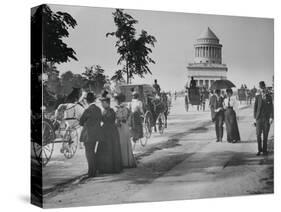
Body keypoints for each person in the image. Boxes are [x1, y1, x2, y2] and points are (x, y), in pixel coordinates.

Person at [97, 91, 123, 173]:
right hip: (107, 130)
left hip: (110, 131)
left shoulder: (110, 111)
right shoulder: (105, 110)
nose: (102, 104)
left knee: (110, 148)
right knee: (106, 149)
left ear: (106, 103)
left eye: (103, 103)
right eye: (101, 103)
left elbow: (107, 119)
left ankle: (110, 168)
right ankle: (106, 168)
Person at [79, 92, 102, 178]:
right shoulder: (98, 109)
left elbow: (81, 122)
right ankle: (94, 170)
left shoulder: (87, 110)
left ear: (87, 101)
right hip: (96, 134)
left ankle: (91, 172)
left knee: (89, 153)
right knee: (92, 152)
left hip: (88, 134)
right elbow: (100, 120)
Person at [114, 93, 137, 168]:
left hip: (122, 127)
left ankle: (124, 163)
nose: (116, 101)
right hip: (125, 127)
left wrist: (117, 118)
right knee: (125, 143)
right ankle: (126, 161)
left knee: (122, 143)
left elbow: (121, 118)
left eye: (117, 100)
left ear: (119, 100)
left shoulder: (122, 108)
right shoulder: (126, 108)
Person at [254, 81, 273, 156]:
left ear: (265, 88)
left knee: (265, 135)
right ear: (260, 88)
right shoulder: (257, 97)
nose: (262, 89)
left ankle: (264, 150)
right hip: (258, 119)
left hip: (266, 119)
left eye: (263, 88)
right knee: (258, 135)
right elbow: (255, 108)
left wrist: (271, 117)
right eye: (261, 88)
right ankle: (259, 150)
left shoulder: (269, 97)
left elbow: (271, 107)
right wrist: (254, 118)